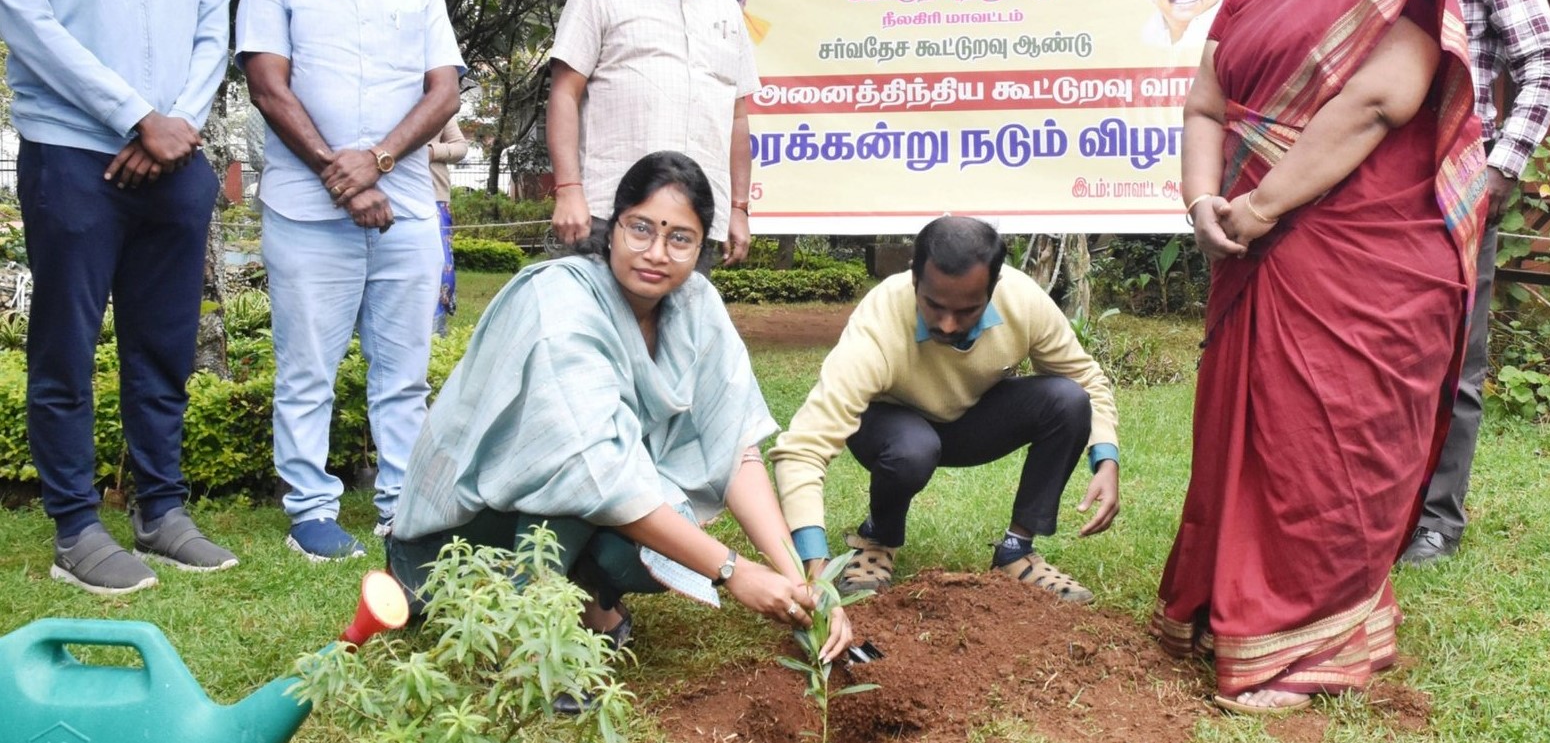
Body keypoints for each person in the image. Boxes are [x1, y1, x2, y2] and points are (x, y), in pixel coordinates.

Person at [1155, 0, 1487, 714]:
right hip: (1251, 244)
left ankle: (1314, 643)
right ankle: (1237, 607)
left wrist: (1258, 203)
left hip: (1364, 256)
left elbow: (1379, 102)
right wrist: (1200, 201)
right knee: (1248, 433)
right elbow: (1205, 109)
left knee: (1334, 446)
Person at [389, 150, 850, 679]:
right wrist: (733, 570)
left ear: (702, 247)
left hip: (578, 498)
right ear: (612, 227)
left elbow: (736, 444)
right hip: (462, 533)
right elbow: (590, 474)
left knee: (653, 537)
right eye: (641, 228)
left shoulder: (694, 303)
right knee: (574, 478)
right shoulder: (560, 303)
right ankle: (533, 634)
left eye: (680, 237)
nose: (656, 252)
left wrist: (800, 581)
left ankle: (585, 593)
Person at [0, 0, 237, 595]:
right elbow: (27, 20)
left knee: (163, 345)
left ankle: (162, 511)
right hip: (71, 157)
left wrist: (176, 119)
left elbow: (216, 23)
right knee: (65, 347)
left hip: (176, 161)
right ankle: (74, 529)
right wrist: (137, 113)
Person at [236, 0, 464, 561]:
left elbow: (445, 88)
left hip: (403, 210)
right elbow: (268, 84)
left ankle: (403, 504)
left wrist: (380, 158)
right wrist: (343, 176)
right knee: (308, 368)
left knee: (403, 372)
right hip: (307, 212)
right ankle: (310, 508)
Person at [1370, 0, 1550, 566]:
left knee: (1452, 360)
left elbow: (1541, 65)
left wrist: (1499, 169)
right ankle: (1374, 508)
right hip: (1357, 195)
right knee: (1366, 355)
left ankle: (1437, 519)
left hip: (1451, 188)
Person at [770, 216, 1120, 604]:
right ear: (914, 279)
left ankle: (1016, 551)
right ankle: (878, 540)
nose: (948, 324)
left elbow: (1085, 379)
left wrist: (1106, 456)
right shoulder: (878, 325)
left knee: (1068, 400)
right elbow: (802, 449)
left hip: (968, 422)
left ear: (993, 288)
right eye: (933, 306)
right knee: (912, 448)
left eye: (968, 310)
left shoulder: (1022, 300)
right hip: (889, 429)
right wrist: (814, 565)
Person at [547, 0, 758, 266]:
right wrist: (569, 188)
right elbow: (564, 93)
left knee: (679, 330)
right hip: (609, 215)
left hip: (693, 224)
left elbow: (737, 118)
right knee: (598, 329)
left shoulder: (726, 8)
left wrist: (739, 208)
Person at [428, 116, 469, 335]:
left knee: (440, 267)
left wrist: (431, 152)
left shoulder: (437, 101)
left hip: (434, 195)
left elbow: (460, 147)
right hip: (387, 198)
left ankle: (437, 336)